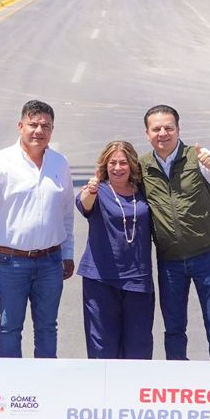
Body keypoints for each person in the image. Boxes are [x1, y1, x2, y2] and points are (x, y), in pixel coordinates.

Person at [0, 100, 75, 357]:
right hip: (10, 262)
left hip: (50, 261)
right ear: (20, 126)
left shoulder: (60, 163)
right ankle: (10, 379)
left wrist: (67, 253)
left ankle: (44, 378)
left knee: (47, 327)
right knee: (9, 327)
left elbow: (66, 213)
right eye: (33, 124)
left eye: (45, 126)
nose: (39, 131)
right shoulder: (0, 161)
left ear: (52, 129)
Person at [139, 105, 210, 361]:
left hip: (207, 255)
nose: (163, 133)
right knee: (174, 328)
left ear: (178, 130)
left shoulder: (196, 156)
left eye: (169, 128)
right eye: (156, 129)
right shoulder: (143, 166)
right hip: (169, 261)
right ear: (147, 133)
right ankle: (177, 376)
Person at [76, 140, 154, 359]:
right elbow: (84, 204)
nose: (118, 168)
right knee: (102, 347)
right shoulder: (98, 190)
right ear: (104, 165)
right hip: (100, 279)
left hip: (137, 279)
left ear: (132, 165)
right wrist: (91, 190)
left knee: (139, 348)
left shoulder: (144, 191)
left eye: (123, 163)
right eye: (112, 163)